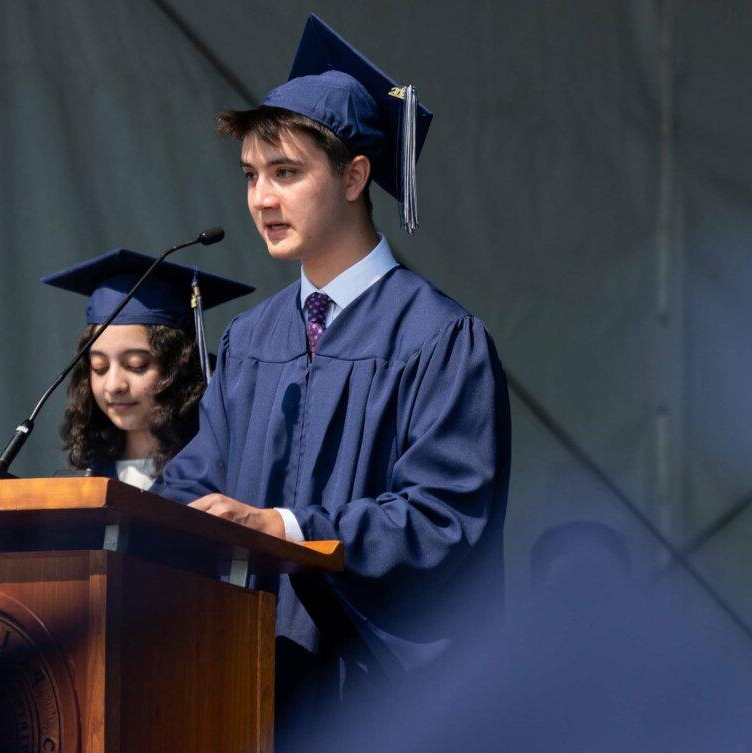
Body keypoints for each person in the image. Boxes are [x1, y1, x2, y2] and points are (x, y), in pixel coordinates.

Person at [151, 13, 512, 743]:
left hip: (381, 697)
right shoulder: (252, 340)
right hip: (252, 682)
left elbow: (443, 519)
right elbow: (193, 487)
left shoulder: (439, 337)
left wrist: (285, 528)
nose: (261, 199)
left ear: (354, 176)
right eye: (252, 176)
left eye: (286, 173)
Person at [42, 248, 253, 490]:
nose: (113, 386)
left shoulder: (215, 475)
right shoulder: (85, 479)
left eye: (136, 366)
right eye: (99, 367)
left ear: (178, 369)